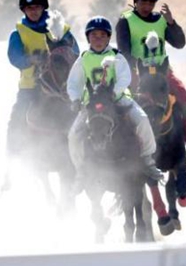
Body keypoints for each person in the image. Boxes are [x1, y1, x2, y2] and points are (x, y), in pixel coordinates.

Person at [115, 0, 186, 169]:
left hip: (163, 74)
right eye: (143, 1)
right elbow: (125, 52)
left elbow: (179, 43)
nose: (147, 5)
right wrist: (134, 76)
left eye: (151, 2)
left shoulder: (161, 21)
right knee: (121, 109)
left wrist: (171, 23)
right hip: (138, 73)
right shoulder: (125, 21)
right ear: (135, 0)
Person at [67, 16, 163, 183]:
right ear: (88, 37)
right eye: (94, 35)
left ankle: (148, 161)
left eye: (102, 35)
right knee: (74, 135)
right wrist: (75, 99)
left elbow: (124, 78)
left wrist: (112, 94)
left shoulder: (117, 56)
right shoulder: (83, 58)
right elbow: (74, 82)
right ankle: (81, 171)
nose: (98, 39)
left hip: (118, 100)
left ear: (108, 37)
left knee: (142, 120)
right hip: (91, 104)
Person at [6, 0, 79, 172]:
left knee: (83, 114)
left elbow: (75, 52)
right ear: (24, 10)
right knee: (17, 118)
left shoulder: (59, 29)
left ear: (43, 8)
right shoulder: (18, 33)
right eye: (29, 8)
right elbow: (15, 58)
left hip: (62, 87)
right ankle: (11, 161)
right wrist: (31, 60)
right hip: (31, 87)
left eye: (37, 7)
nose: (33, 11)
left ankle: (87, 160)